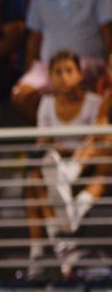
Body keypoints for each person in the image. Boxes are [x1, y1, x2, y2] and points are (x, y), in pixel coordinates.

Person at [11, 0, 112, 123]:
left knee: (71, 80)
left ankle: (80, 137)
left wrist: (109, 69)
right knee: (22, 95)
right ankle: (50, 134)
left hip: (88, 65)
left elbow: (109, 34)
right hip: (48, 66)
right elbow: (34, 37)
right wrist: (28, 71)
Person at [29, 50, 105, 277]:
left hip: (87, 166)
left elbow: (95, 141)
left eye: (69, 71)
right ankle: (55, 244)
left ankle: (55, 241)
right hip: (54, 165)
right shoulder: (45, 104)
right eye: (58, 72)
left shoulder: (95, 102)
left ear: (80, 74)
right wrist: (62, 151)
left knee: (103, 159)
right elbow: (43, 142)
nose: (64, 77)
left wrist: (69, 152)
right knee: (35, 179)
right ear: (50, 77)